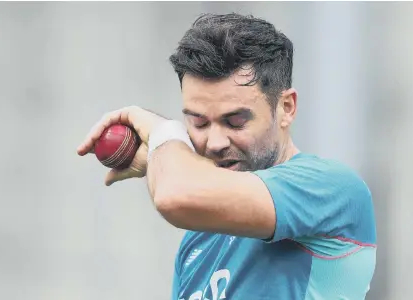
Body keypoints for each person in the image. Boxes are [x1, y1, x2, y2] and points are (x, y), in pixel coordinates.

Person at [77, 13, 376, 300]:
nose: (215, 142)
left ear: (286, 108)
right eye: (198, 122)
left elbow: (173, 197)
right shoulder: (199, 239)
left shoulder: (332, 189)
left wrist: (162, 132)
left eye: (235, 122)